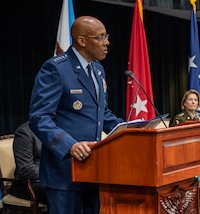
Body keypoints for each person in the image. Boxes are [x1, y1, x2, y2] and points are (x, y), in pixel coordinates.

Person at [29, 16, 123, 213]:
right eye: (100, 37)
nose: (107, 42)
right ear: (82, 41)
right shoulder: (56, 68)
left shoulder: (97, 69)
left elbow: (101, 113)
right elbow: (39, 117)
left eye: (106, 36)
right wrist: (69, 145)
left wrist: (130, 129)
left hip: (93, 168)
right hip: (64, 171)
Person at [10, 121, 47, 204]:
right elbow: (25, 169)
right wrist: (53, 173)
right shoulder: (24, 132)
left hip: (53, 178)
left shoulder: (58, 129)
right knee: (61, 192)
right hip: (29, 183)